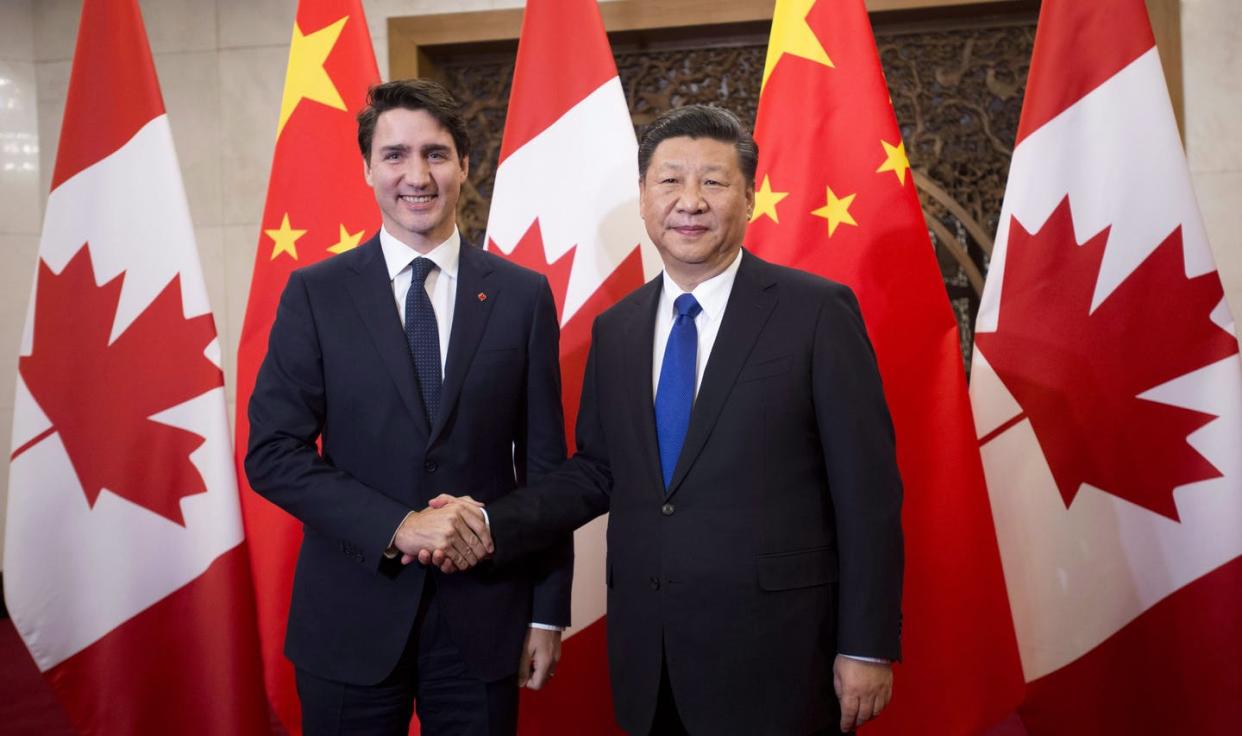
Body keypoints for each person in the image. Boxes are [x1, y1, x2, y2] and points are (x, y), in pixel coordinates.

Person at [426, 105, 904, 735]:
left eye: (713, 181)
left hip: (780, 654)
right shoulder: (618, 329)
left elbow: (866, 492)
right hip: (651, 656)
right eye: (670, 181)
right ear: (644, 199)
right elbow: (595, 472)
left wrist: (866, 644)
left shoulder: (815, 313)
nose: (690, 201)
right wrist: (488, 520)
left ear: (750, 197)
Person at [244, 78, 569, 736]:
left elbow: (545, 472)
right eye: (395, 155)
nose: (416, 175)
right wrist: (400, 525)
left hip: (483, 619)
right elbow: (272, 455)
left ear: (465, 166)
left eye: (436, 154)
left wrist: (546, 611)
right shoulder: (315, 294)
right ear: (368, 168)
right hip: (348, 616)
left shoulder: (521, 295)